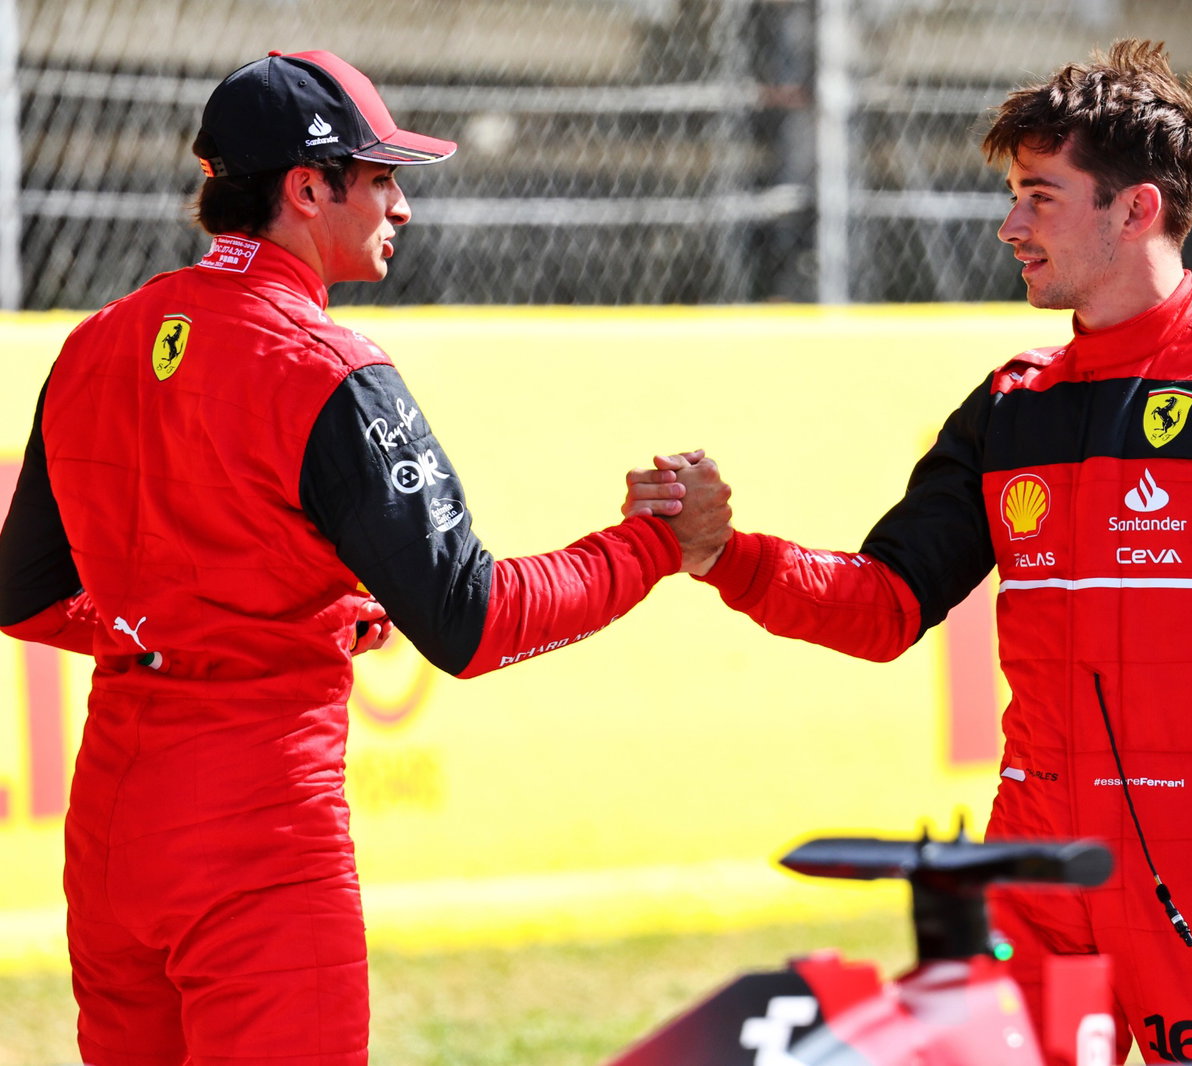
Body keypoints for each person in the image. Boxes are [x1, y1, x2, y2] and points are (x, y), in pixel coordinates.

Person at [627, 39, 1192, 1064]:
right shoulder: (1011, 405)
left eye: (1039, 197)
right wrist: (723, 552)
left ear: (1134, 210)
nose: (1009, 225)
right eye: (1012, 195)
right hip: (1030, 849)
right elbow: (882, 606)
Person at [0, 50, 730, 1066]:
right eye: (381, 178)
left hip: (114, 829)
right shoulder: (327, 367)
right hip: (259, 827)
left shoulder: (97, 342)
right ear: (307, 188)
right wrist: (649, 545)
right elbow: (470, 622)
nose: (403, 207)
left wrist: (184, 624)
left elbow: (26, 599)